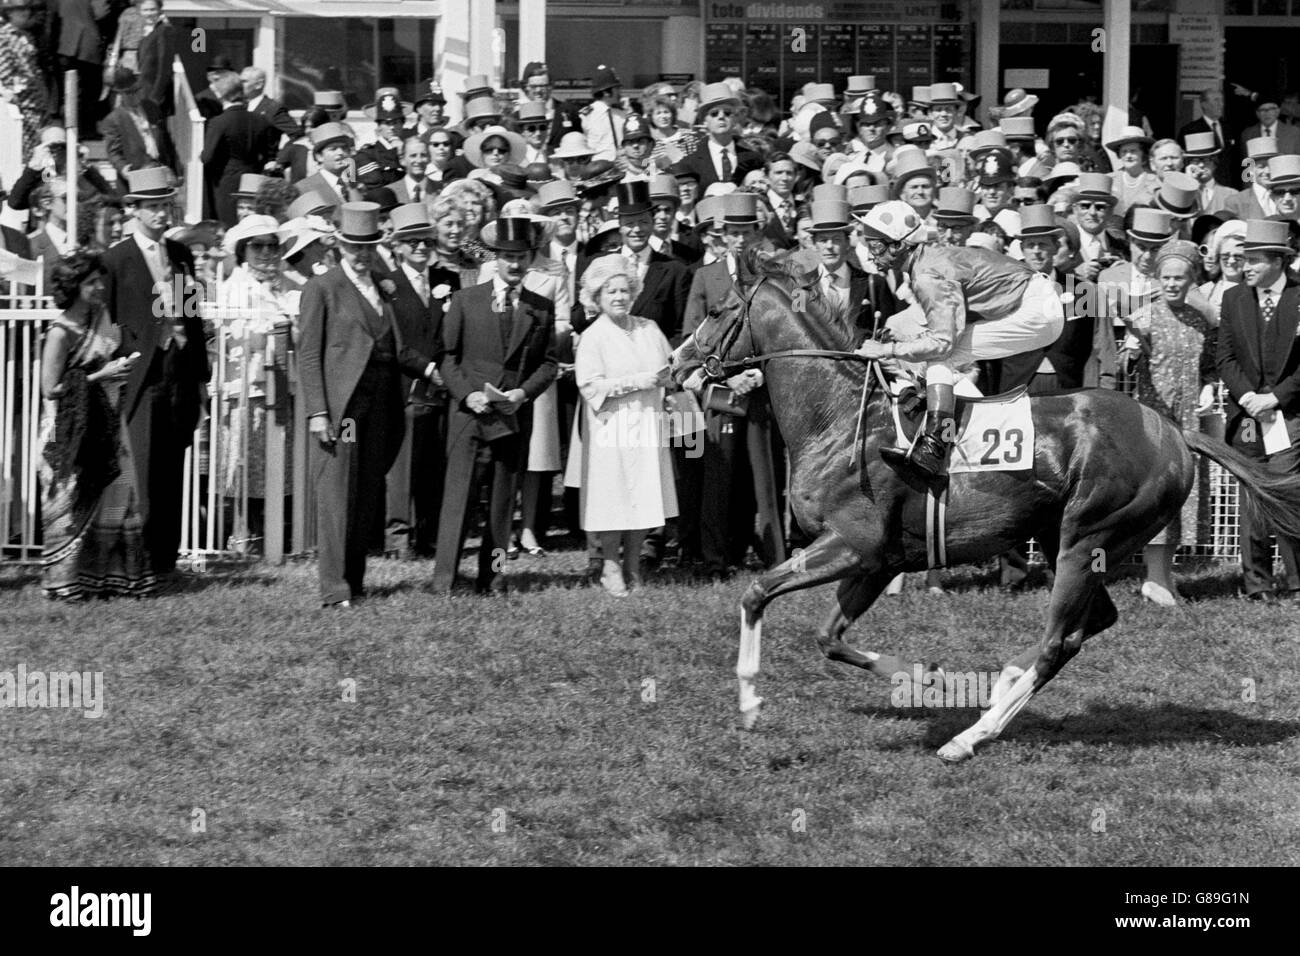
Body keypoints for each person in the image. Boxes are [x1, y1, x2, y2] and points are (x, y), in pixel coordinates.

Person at [853, 199, 1065, 481]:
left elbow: (942, 343)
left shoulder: (927, 274)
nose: (870, 253)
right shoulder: (929, 259)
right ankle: (947, 422)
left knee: (941, 355)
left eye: (876, 245)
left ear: (898, 244)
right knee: (940, 357)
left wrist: (887, 349)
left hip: (1037, 309)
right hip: (1035, 302)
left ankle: (935, 445)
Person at [431, 216, 558, 594]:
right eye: (507, 257)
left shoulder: (541, 307)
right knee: (458, 501)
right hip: (470, 417)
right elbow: (446, 358)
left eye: (521, 257)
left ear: (531, 258)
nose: (514, 264)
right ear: (494, 258)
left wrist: (522, 394)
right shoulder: (465, 300)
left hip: (512, 418)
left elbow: (549, 363)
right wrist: (466, 394)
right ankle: (445, 580)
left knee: (502, 507)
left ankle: (494, 576)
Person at [297, 203, 408, 608]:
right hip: (343, 408)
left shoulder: (382, 284)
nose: (361, 255)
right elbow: (308, 355)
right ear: (339, 245)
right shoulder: (322, 288)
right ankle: (334, 589)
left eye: (369, 247)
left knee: (365, 494)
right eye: (354, 247)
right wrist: (318, 411)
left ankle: (356, 582)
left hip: (380, 403)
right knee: (337, 494)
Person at [102, 166, 208, 578]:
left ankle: (166, 558)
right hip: (139, 377)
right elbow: (108, 321)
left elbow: (192, 319)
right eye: (154, 207)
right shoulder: (116, 259)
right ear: (136, 210)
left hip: (176, 373)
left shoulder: (181, 256)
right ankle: (137, 563)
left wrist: (200, 378)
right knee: (141, 470)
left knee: (171, 468)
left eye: (166, 205)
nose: (163, 213)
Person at [38, 249, 156, 599]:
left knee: (123, 492)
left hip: (113, 412)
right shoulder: (61, 332)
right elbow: (50, 388)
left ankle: (114, 578)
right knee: (73, 501)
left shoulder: (102, 316)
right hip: (73, 426)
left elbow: (173, 317)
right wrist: (101, 375)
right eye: (90, 282)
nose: (99, 287)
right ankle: (65, 583)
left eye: (98, 280)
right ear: (73, 287)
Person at [573, 254, 677, 595]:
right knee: (613, 498)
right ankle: (610, 566)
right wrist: (636, 382)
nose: (618, 297)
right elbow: (590, 386)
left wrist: (670, 387)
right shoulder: (594, 336)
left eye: (623, 290)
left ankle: (633, 565)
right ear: (597, 298)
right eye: (610, 292)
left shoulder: (649, 328)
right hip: (610, 427)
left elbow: (670, 371)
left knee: (642, 497)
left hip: (647, 423)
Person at [1122, 239, 1218, 605]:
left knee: (1182, 496)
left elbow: (1210, 367)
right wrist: (1132, 346)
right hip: (1155, 421)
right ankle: (1154, 578)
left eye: (1180, 277)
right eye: (1166, 277)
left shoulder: (1203, 319)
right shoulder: (1143, 316)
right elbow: (1126, 366)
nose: (1173, 283)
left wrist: (1210, 386)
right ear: (1157, 278)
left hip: (1190, 420)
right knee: (1157, 497)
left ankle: (1164, 577)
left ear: (1192, 278)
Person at [1217, 218, 1300, 602]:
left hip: (1291, 414)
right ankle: (1257, 585)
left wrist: (1277, 398)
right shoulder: (1234, 298)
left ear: (1278, 262)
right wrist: (1250, 397)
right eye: (1242, 259)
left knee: (1286, 493)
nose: (1243, 266)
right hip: (1248, 416)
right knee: (1251, 495)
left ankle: (1297, 582)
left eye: (1252, 259)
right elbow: (1225, 357)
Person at [212, 215, 296, 550]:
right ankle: (242, 535)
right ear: (243, 251)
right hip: (245, 387)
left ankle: (270, 535)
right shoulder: (233, 286)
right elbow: (234, 333)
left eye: (271, 246)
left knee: (275, 467)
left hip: (280, 386)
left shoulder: (285, 283)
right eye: (257, 246)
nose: (265, 253)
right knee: (242, 463)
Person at [383, 203, 455, 559]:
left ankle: (429, 535)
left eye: (426, 241)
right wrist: (428, 369)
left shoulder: (447, 280)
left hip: (443, 387)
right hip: (407, 386)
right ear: (397, 246)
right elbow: (395, 343)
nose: (421, 248)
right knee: (403, 466)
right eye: (412, 242)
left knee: (435, 464)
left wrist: (447, 372)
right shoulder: (388, 286)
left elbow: (454, 330)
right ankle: (399, 537)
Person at [201, 72, 279, 227]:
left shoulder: (219, 122)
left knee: (229, 225)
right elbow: (269, 154)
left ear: (221, 95)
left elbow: (207, 157)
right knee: (253, 225)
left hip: (227, 180)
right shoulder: (260, 120)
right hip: (253, 178)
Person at [675, 83, 762, 192]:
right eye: (714, 113)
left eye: (727, 113)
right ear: (704, 121)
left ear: (735, 119)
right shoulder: (689, 162)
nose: (721, 117)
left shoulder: (754, 159)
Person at [100, 66, 176, 180]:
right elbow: (113, 153)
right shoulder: (113, 120)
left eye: (136, 90)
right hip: (137, 178)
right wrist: (123, 168)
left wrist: (173, 167)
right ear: (120, 94)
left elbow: (165, 139)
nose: (134, 96)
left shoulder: (151, 108)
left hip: (160, 174)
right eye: (129, 93)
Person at [0, 0, 48, 156]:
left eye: (27, 9)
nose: (26, 13)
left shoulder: (27, 36)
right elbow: (4, 70)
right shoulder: (4, 37)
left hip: (36, 101)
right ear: (9, 13)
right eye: (20, 9)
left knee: (38, 149)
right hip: (21, 101)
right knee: (23, 151)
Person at [518, 61, 582, 150]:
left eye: (543, 86)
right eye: (533, 86)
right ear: (526, 87)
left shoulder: (570, 111)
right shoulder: (517, 117)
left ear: (551, 86)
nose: (538, 91)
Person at [134, 0, 176, 120]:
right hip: (144, 92)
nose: (149, 13)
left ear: (159, 10)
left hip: (154, 95)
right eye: (145, 10)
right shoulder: (148, 31)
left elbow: (165, 67)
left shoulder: (164, 30)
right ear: (139, 12)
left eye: (153, 9)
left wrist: (155, 97)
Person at [1107, 125, 1159, 216]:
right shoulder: (1109, 179)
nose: (1128, 156)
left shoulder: (1155, 181)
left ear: (1143, 153)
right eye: (1124, 151)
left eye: (1133, 151)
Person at [580, 65, 626, 163]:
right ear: (606, 92)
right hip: (598, 167)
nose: (620, 92)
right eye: (616, 89)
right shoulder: (586, 115)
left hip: (622, 166)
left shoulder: (622, 114)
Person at [1183, 132, 1235, 215]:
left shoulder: (1231, 194)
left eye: (1206, 160)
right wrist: (1189, 184)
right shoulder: (1182, 194)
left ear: (1215, 163)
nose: (1201, 165)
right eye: (1195, 160)